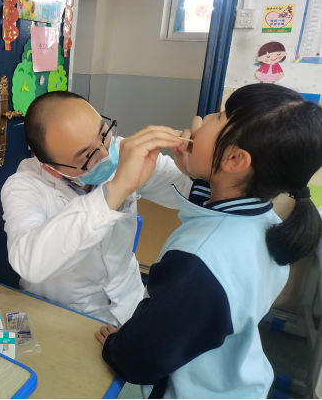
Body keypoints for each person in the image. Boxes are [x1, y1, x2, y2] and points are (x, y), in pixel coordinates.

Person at [95, 84, 322, 399]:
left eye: (218, 116)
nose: (200, 121)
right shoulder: (267, 221)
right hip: (234, 380)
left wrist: (117, 345)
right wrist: (199, 171)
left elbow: (141, 360)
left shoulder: (199, 260)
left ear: (235, 159)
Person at [1, 91, 192, 325]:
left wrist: (191, 168)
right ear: (52, 169)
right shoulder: (23, 187)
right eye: (87, 155)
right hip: (67, 316)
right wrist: (114, 192)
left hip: (130, 302)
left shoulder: (121, 151)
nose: (105, 155)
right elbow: (29, 262)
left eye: (103, 134)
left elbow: (187, 193)